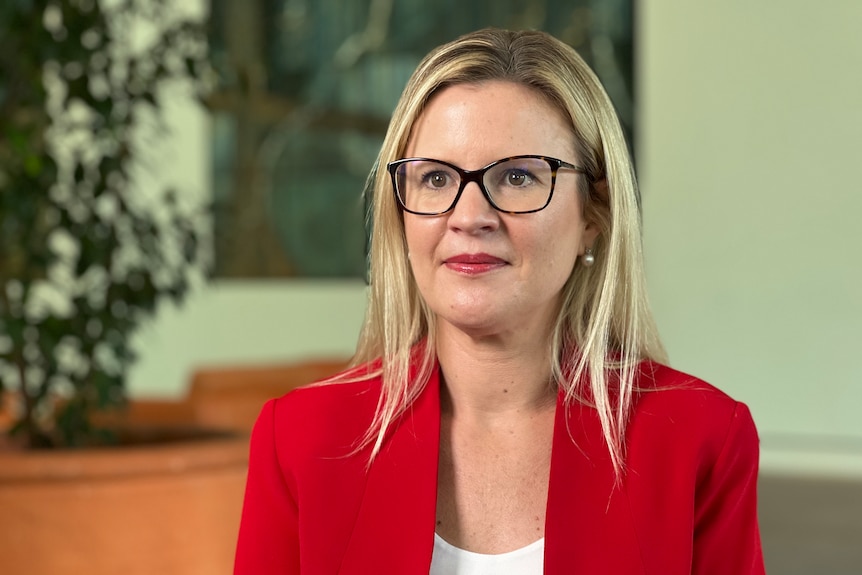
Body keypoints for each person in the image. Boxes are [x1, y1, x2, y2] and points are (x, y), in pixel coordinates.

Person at [234, 28, 765, 574]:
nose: (469, 216)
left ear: (593, 216)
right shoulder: (300, 439)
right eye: (436, 178)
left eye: (516, 176)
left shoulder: (700, 440)